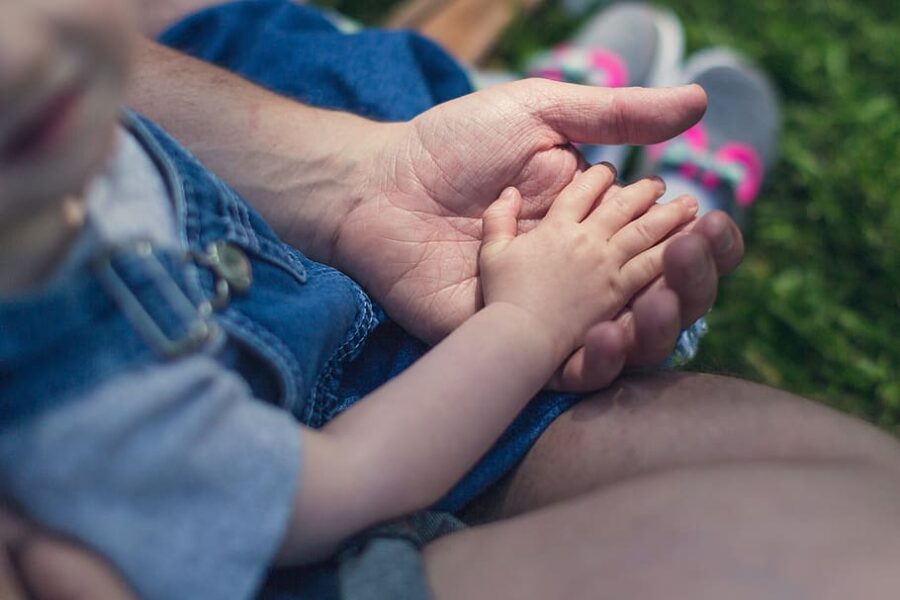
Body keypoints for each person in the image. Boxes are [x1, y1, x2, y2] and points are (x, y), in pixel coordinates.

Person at [3, 2, 900, 600]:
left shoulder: (45, 120)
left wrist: (346, 181)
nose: (20, 52)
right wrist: (528, 316)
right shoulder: (71, 386)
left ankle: (591, 198)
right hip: (329, 514)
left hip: (257, 290)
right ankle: (629, 209)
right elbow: (330, 490)